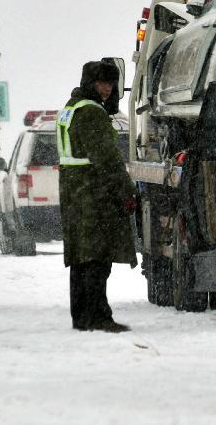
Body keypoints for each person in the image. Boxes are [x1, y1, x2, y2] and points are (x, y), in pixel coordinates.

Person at [57, 60, 137, 332]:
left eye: (111, 83)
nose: (108, 88)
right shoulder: (92, 113)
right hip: (94, 195)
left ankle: (81, 317)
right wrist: (127, 190)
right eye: (103, 83)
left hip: (74, 194)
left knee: (81, 259)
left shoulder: (70, 109)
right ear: (91, 83)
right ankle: (99, 316)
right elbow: (108, 159)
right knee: (97, 259)